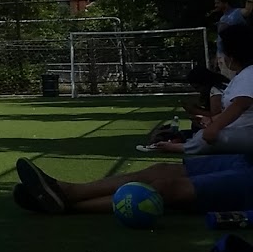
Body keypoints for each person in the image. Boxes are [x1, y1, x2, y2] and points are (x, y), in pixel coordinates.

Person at [15, 22, 253, 216]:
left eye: (221, 52)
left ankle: (66, 203)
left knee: (165, 188)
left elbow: (242, 103)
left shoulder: (249, 75)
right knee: (159, 170)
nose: (219, 58)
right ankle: (68, 191)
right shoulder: (242, 77)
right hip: (244, 160)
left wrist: (214, 126)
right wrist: (210, 123)